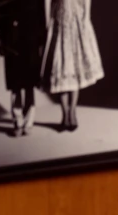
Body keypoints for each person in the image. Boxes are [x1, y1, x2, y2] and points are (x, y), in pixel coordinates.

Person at [42, 0, 104, 131]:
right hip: (59, 21)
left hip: (77, 20)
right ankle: (65, 114)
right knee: (61, 69)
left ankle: (72, 112)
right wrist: (47, 21)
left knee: (76, 68)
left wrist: (86, 16)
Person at [0, 0, 48, 136]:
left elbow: (41, 15)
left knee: (29, 83)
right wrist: (1, 42)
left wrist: (42, 40)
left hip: (30, 40)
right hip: (12, 40)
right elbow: (1, 14)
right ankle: (17, 121)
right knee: (15, 83)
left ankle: (28, 122)